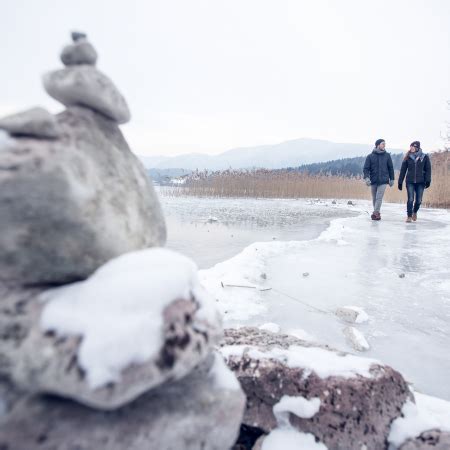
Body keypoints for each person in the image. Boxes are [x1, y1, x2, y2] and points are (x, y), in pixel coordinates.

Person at [398, 141, 431, 223]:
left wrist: (428, 180)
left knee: (419, 200)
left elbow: (428, 169)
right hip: (410, 181)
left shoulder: (424, 157)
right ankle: (409, 216)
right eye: (411, 146)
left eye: (413, 146)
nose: (411, 148)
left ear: (417, 148)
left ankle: (414, 212)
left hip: (421, 182)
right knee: (410, 199)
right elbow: (403, 170)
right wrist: (400, 182)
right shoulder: (408, 157)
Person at [363, 138, 395, 220]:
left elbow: (390, 168)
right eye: (383, 144)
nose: (384, 145)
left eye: (385, 144)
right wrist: (367, 178)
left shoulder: (387, 156)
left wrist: (392, 179)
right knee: (374, 198)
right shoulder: (370, 156)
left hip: (383, 180)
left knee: (379, 197)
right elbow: (366, 169)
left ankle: (376, 213)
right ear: (378, 145)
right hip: (373, 181)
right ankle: (376, 213)